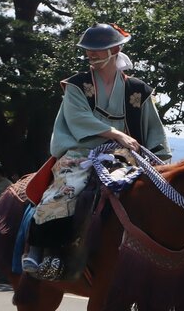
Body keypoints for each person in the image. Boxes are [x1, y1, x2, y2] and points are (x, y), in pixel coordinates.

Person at [22, 23, 170, 278]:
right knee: (65, 191)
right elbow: (77, 117)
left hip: (126, 157)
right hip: (81, 152)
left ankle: (165, 257)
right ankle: (41, 250)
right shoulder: (77, 85)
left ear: (116, 49)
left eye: (98, 49)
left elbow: (153, 128)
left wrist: (163, 161)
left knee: (159, 194)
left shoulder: (138, 90)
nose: (91, 54)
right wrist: (115, 133)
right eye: (88, 49)